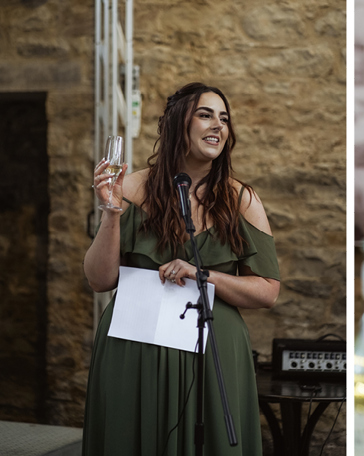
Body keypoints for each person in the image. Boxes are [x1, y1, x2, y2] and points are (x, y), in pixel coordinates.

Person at [82, 83, 280, 455]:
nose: (218, 126)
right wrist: (111, 212)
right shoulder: (131, 187)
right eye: (205, 115)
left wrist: (201, 274)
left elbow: (268, 290)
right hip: (133, 347)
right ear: (177, 124)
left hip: (212, 350)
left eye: (224, 118)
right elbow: (99, 279)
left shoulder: (241, 200)